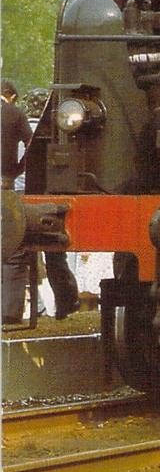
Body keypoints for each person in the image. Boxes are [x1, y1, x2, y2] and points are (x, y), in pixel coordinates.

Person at [2, 80, 78, 323]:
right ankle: (65, 302)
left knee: (14, 252)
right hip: (33, 192)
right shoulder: (33, 125)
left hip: (10, 192)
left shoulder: (15, 117)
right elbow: (35, 154)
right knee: (53, 250)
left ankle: (12, 310)